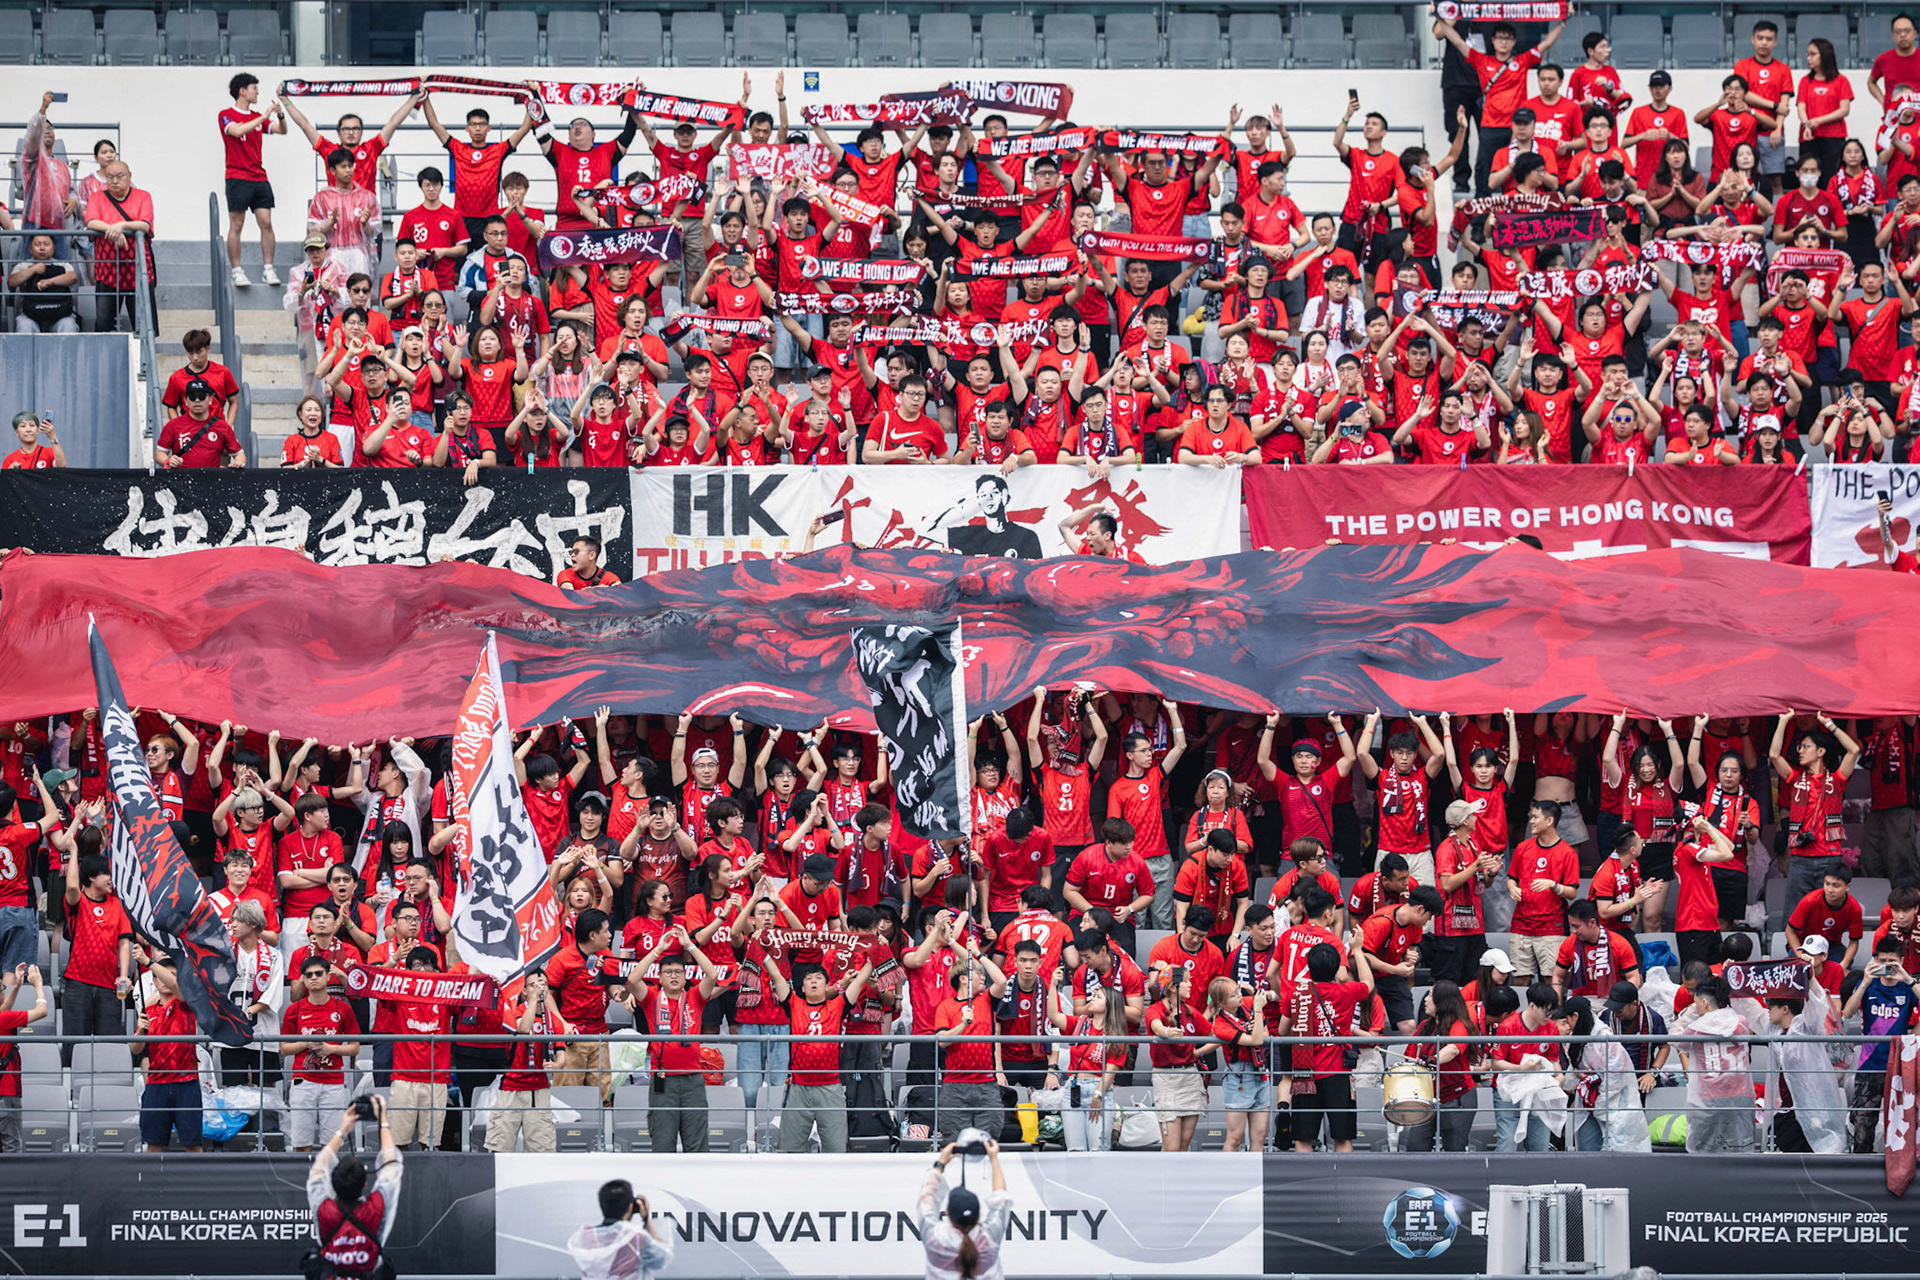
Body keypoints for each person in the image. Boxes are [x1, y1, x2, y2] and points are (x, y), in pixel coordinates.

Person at [306, 1096, 402, 1280]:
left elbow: (318, 1168)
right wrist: (383, 1120)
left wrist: (343, 1129)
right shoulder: (375, 1209)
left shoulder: (324, 1210)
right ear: (365, 1185)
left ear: (332, 1184)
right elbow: (391, 1165)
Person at [129, 952, 203, 1153]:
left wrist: (149, 962)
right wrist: (141, 1031)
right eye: (162, 975)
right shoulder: (148, 1011)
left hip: (186, 1082)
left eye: (171, 975)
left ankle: (197, 1184)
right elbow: (135, 1049)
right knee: (153, 1143)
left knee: (193, 1143)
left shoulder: (186, 1002)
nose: (166, 979)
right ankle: (152, 1184)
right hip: (156, 1084)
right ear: (154, 981)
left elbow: (178, 988)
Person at [219, 73, 285, 287]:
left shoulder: (257, 117)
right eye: (254, 88)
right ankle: (237, 270)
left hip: (259, 177)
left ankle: (268, 268)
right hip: (237, 177)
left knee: (266, 221)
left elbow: (280, 131)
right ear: (242, 91)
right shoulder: (226, 114)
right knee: (236, 224)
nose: (257, 92)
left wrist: (280, 116)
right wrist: (264, 117)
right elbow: (237, 132)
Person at [919, 1139, 1012, 1280]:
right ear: (979, 1215)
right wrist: (994, 1158)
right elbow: (1001, 1199)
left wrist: (940, 1164)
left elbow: (927, 1196)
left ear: (947, 1213)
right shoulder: (990, 1237)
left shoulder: (934, 1238)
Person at [569, 1179, 676, 1280]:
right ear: (630, 1207)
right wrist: (646, 1220)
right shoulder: (635, 1238)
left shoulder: (584, 1237)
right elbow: (663, 1258)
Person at [0, 964, 49, 1153]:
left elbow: (4, 1009)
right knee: (12, 1149)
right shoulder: (5, 1020)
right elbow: (41, 1011)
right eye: (3, 989)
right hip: (6, 1093)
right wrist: (38, 986)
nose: (5, 991)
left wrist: (18, 986)